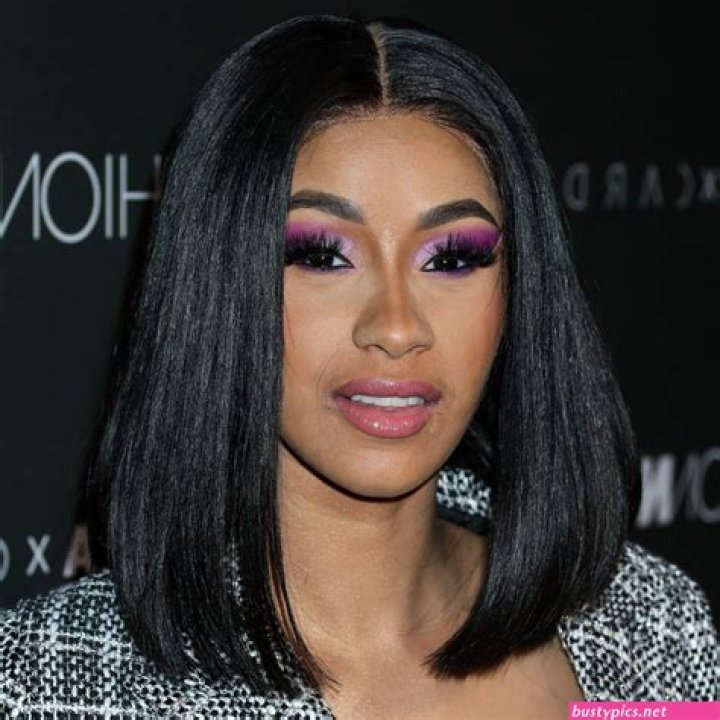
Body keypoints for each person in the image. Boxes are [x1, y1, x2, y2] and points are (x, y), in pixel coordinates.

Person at [0, 13, 717, 718]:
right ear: (218, 281)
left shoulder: (652, 624)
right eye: (322, 255)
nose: (396, 328)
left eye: (452, 258)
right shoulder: (47, 688)